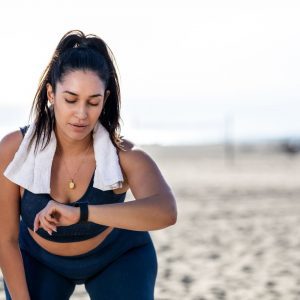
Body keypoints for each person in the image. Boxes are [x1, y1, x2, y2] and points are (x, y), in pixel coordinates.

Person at [0, 30, 177, 300]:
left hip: (118, 258)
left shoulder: (124, 156)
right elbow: (6, 240)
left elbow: (166, 211)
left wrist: (82, 213)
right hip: (39, 261)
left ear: (104, 99)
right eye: (70, 99)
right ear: (51, 92)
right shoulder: (14, 150)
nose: (81, 114)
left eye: (93, 102)